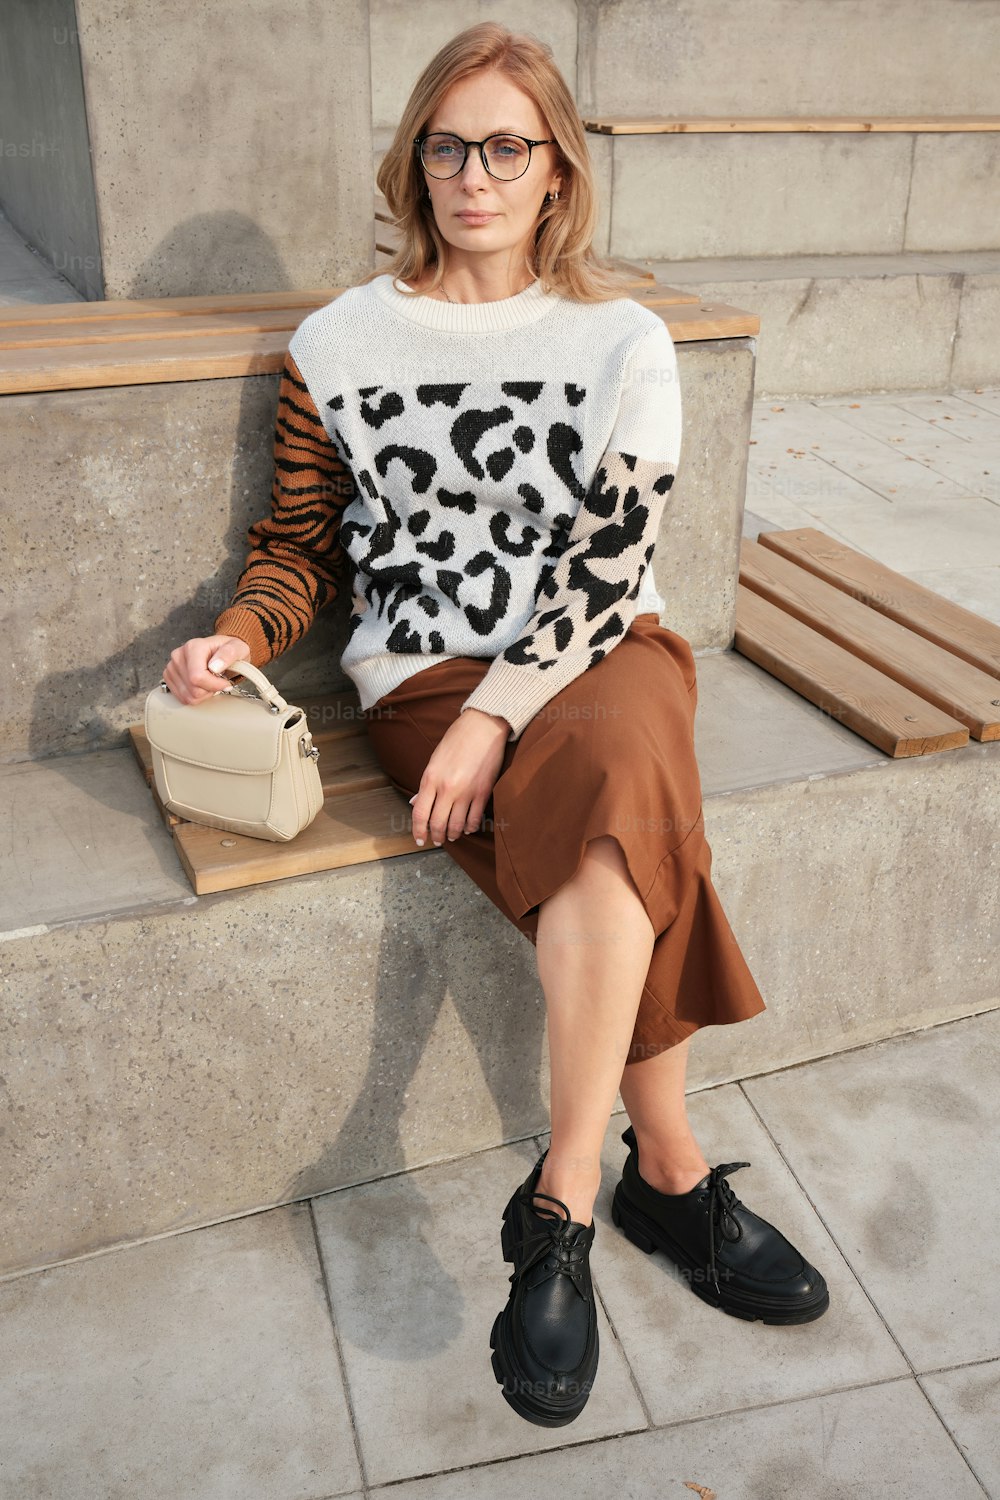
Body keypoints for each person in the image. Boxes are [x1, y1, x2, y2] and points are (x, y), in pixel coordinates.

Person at [162, 21, 829, 1431]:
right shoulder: (338, 346)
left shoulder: (621, 340)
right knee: (630, 839)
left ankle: (562, 1203)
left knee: (621, 753)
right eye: (449, 144)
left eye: (507, 147)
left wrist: (494, 725)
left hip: (601, 648)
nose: (475, 174)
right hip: (418, 673)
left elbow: (602, 565)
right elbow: (300, 544)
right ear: (415, 160)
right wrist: (241, 632)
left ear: (556, 174)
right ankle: (670, 1175)